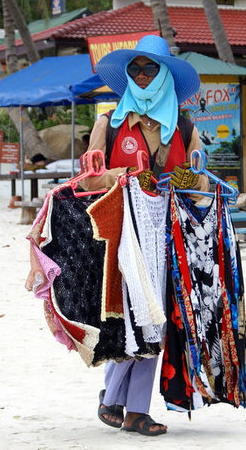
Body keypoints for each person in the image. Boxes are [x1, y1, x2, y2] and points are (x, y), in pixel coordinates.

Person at [82, 35, 208, 436]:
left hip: (168, 234)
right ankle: (118, 399)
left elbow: (199, 180)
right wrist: (127, 176)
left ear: (164, 74)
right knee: (130, 316)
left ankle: (127, 406)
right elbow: (89, 180)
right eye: (134, 69)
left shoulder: (185, 128)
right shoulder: (110, 123)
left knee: (154, 318)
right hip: (120, 234)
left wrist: (177, 179)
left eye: (149, 68)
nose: (140, 75)